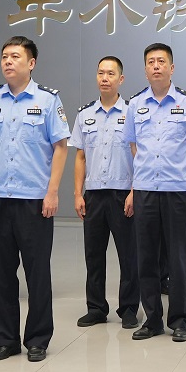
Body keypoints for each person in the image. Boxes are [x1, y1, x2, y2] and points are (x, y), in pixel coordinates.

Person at [0, 36, 70, 363]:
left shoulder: (48, 100)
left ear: (31, 63)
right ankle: (6, 340)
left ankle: (38, 339)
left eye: (15, 56)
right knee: (1, 273)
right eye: (4, 56)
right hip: (0, 198)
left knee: (37, 273)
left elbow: (60, 147)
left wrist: (52, 191)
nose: (8, 61)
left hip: (35, 200)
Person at [124, 43, 186, 342]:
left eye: (161, 61)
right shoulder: (135, 104)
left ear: (171, 68)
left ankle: (180, 319)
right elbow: (133, 146)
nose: (156, 66)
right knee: (146, 257)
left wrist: (178, 170)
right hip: (145, 189)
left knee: (178, 256)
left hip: (176, 190)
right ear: (145, 69)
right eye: (150, 62)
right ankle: (153, 319)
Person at [70, 56, 140, 330]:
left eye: (110, 74)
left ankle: (129, 308)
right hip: (94, 195)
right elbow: (80, 157)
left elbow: (139, 155)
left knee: (129, 255)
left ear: (121, 79)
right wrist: (78, 194)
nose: (104, 78)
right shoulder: (85, 114)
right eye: (100, 73)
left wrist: (134, 192)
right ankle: (96, 308)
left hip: (123, 194)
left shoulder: (132, 112)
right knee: (93, 255)